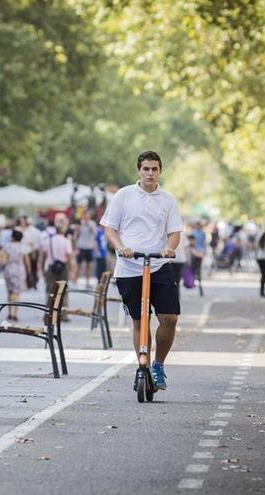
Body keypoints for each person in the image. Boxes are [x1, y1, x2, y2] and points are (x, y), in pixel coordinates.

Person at [100, 150, 183, 392]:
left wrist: (169, 248)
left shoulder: (167, 199)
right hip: (129, 267)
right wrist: (121, 247)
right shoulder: (123, 195)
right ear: (139, 170)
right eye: (146, 168)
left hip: (158, 264)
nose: (150, 173)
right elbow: (109, 228)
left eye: (154, 169)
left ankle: (158, 365)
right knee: (140, 319)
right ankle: (143, 365)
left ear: (160, 171)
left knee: (170, 318)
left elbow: (175, 231)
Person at [38, 218, 75, 306]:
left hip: (50, 267)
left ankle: (49, 311)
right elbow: (69, 256)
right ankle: (63, 312)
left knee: (50, 290)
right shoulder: (66, 241)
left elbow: (43, 256)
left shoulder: (48, 241)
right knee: (63, 290)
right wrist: (71, 269)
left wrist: (42, 268)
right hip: (63, 268)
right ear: (62, 231)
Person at [2, 229, 30, 321]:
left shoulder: (7, 246)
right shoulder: (22, 247)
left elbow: (3, 258)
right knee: (16, 292)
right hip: (19, 270)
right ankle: (15, 313)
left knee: (9, 292)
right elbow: (27, 260)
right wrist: (29, 271)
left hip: (8, 269)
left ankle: (9, 312)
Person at [75, 210, 97, 287]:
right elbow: (76, 235)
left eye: (88, 215)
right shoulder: (80, 223)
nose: (86, 216)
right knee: (78, 265)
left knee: (89, 266)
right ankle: (75, 282)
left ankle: (87, 282)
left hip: (89, 247)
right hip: (81, 247)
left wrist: (88, 224)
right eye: (85, 215)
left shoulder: (92, 224)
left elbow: (93, 233)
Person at [20, 215, 41, 289]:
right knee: (29, 267)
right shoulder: (21, 229)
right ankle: (31, 282)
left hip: (30, 251)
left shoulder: (31, 230)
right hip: (27, 251)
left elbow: (34, 241)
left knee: (31, 267)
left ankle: (32, 282)